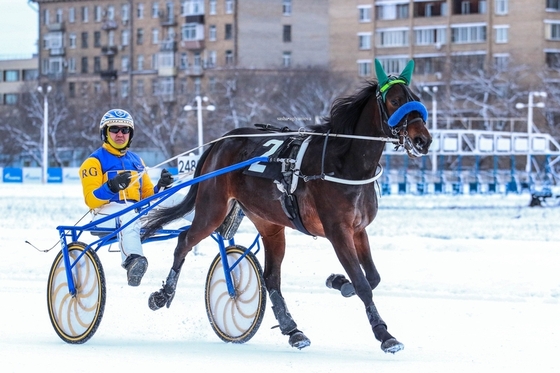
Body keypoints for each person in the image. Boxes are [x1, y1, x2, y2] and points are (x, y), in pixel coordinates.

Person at [79, 109, 174, 286]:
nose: (120, 134)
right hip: (104, 215)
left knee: (172, 197)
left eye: (125, 130)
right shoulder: (93, 162)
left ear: (131, 134)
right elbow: (90, 199)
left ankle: (213, 220)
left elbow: (147, 196)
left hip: (133, 212)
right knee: (129, 212)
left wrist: (160, 186)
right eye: (114, 129)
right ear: (105, 133)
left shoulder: (137, 161)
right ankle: (133, 260)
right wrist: (111, 187)